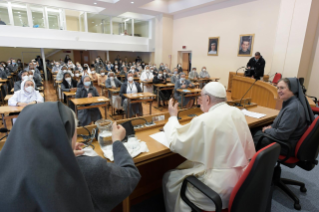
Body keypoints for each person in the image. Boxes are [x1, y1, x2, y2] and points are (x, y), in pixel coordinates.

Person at [162, 82, 256, 212]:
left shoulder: (205, 120)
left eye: (200, 98)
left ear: (207, 99)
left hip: (218, 189)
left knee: (171, 179)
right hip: (241, 182)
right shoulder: (237, 112)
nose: (199, 102)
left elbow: (175, 141)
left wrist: (173, 117)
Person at [252, 78, 314, 156]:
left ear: (293, 89)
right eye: (278, 88)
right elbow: (279, 125)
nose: (278, 91)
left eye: (282, 88)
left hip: (286, 145)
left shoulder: (293, 109)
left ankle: (253, 165)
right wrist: (270, 127)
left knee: (252, 134)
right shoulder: (290, 102)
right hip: (286, 140)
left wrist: (267, 130)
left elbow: (282, 135)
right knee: (255, 130)